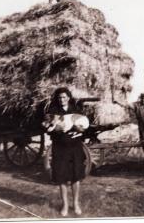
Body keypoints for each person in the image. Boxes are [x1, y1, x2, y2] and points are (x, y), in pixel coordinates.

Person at [45, 87, 86, 217]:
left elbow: (84, 128)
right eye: (59, 98)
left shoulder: (76, 110)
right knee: (62, 177)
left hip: (75, 147)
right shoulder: (53, 112)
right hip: (60, 148)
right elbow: (47, 128)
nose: (62, 100)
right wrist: (54, 128)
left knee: (76, 176)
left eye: (64, 97)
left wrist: (80, 129)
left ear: (68, 97)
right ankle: (65, 205)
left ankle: (76, 204)